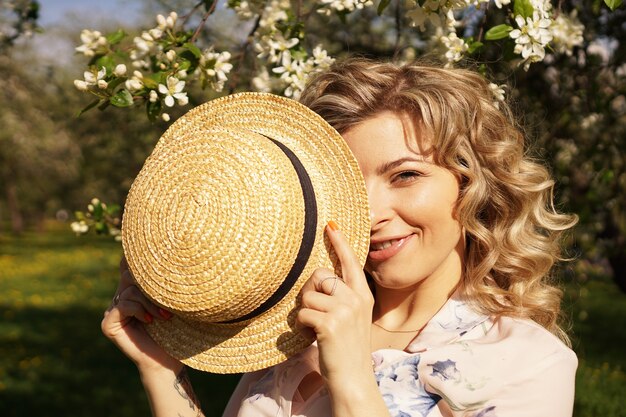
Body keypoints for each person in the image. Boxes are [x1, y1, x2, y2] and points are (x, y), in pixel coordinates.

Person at [102, 57, 578, 417]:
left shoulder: (526, 362)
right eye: (350, 185)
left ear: (471, 183)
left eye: (405, 175)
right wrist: (163, 372)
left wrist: (351, 375)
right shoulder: (289, 330)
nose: (369, 213)